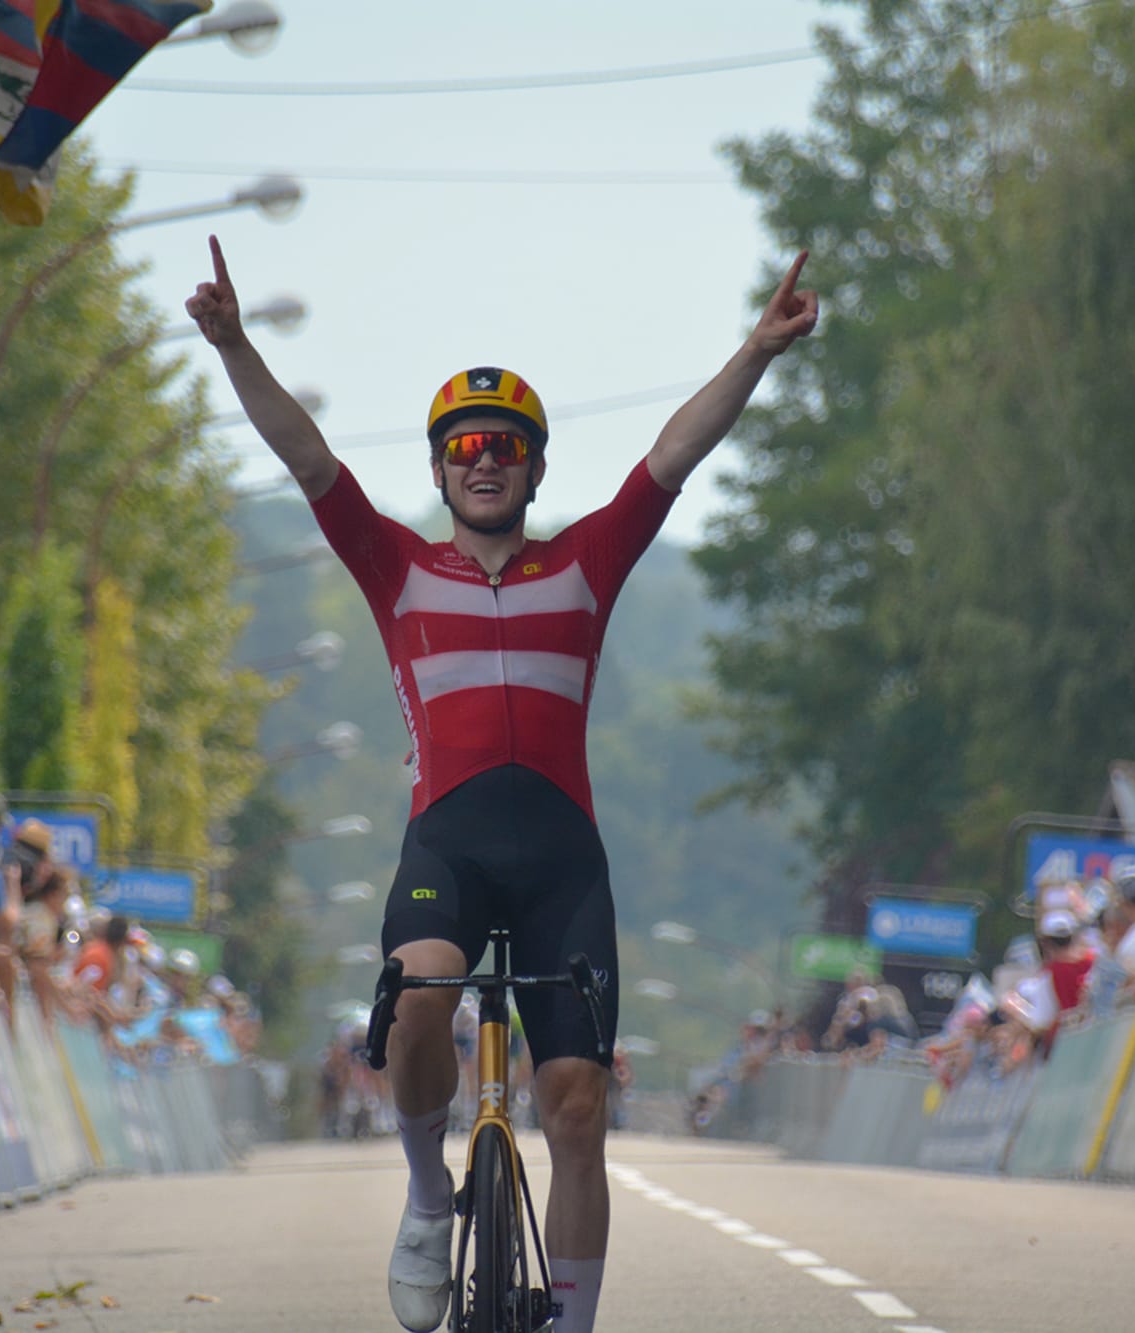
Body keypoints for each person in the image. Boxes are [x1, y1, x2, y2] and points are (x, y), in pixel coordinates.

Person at [190, 235, 817, 1333]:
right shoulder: (394, 565)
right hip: (447, 845)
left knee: (576, 1112)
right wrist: (236, 346)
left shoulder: (584, 562)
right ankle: (430, 1195)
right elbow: (306, 455)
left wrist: (755, 353)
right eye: (466, 446)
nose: (486, 460)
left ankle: (568, 1324)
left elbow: (670, 457)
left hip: (561, 861)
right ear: (438, 470)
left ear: (533, 469)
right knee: (417, 995)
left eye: (508, 447)